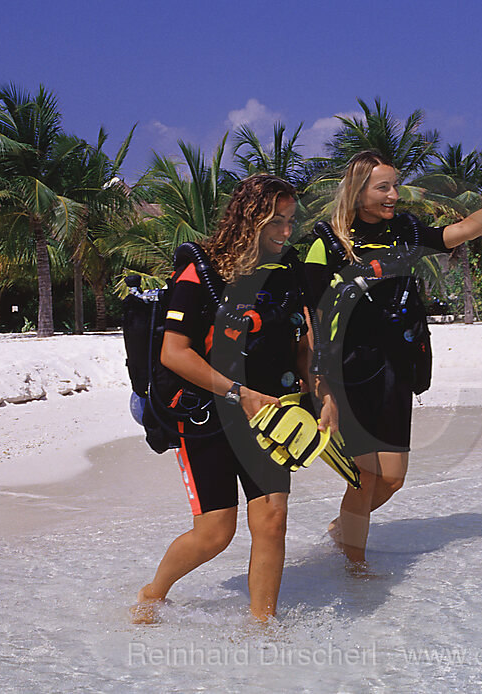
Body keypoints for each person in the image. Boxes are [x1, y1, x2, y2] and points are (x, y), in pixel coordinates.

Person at [304, 150, 482, 567]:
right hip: (351, 370)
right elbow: (311, 314)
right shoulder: (327, 242)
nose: (394, 195)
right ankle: (356, 566)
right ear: (358, 190)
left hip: (397, 365)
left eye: (395, 186)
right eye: (383, 187)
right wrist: (318, 381)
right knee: (365, 477)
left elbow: (462, 231)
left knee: (393, 479)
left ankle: (343, 530)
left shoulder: (405, 230)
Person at [133, 174, 337, 623]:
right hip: (208, 414)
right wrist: (238, 392)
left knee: (273, 519)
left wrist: (325, 397)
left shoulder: (290, 273)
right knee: (215, 533)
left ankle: (263, 627)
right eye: (276, 221)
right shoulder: (200, 270)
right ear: (249, 218)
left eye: (290, 220)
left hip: (274, 415)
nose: (287, 231)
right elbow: (174, 352)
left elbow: (303, 348)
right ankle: (153, 593)